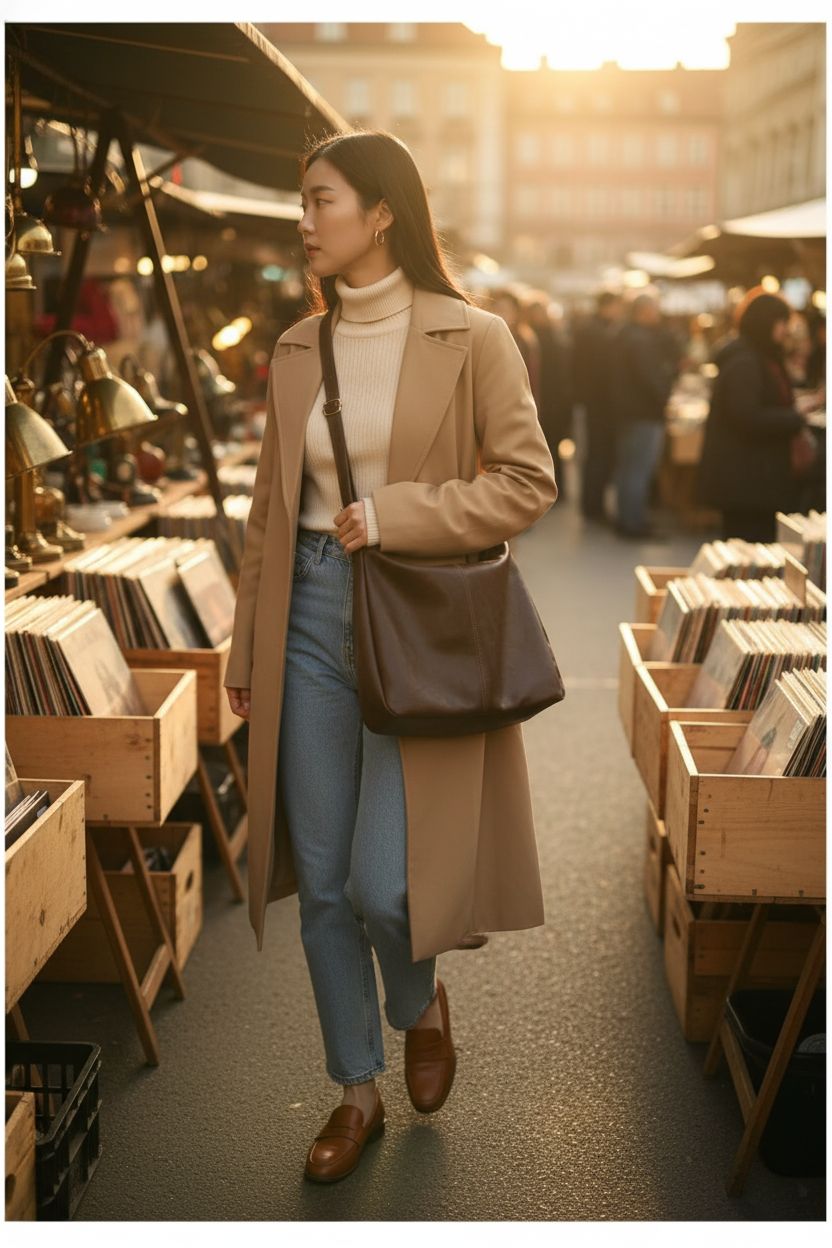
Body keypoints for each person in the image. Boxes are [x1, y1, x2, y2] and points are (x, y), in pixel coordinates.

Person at [223, 130, 557, 1185]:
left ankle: (419, 1002)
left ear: (380, 214)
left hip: (412, 608)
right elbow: (270, 519)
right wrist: (244, 646)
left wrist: (401, 513)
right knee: (320, 884)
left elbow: (525, 480)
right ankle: (354, 1087)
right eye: (301, 199)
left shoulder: (476, 335)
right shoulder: (291, 347)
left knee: (380, 885)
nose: (302, 218)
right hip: (307, 616)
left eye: (318, 199)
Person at [696, 288, 819, 541]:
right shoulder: (746, 361)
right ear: (767, 322)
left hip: (753, 479)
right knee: (750, 539)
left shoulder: (756, 357)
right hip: (748, 481)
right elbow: (747, 417)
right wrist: (796, 417)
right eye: (782, 322)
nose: (786, 330)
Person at [610, 291, 678, 539]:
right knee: (638, 470)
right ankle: (633, 524)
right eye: (655, 309)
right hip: (643, 413)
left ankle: (626, 519)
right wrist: (665, 394)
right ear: (645, 311)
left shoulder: (625, 335)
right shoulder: (640, 340)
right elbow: (650, 378)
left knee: (629, 468)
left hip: (628, 412)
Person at [571, 290, 623, 521]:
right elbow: (603, 371)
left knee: (595, 454)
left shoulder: (592, 329)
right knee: (598, 455)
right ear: (608, 306)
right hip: (598, 403)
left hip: (592, 401)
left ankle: (592, 505)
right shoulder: (597, 332)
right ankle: (593, 507)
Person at [524, 295, 573, 498]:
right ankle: (551, 487)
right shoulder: (532, 337)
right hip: (541, 400)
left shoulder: (549, 336)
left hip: (552, 401)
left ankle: (554, 487)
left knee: (551, 445)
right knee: (546, 446)